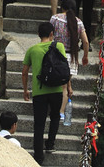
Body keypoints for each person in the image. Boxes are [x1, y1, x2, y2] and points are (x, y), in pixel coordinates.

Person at [22, 21, 67, 164]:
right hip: (56, 90)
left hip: (39, 91)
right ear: (52, 34)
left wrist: (25, 90)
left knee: (39, 123)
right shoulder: (59, 46)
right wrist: (68, 86)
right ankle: (50, 144)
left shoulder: (32, 50)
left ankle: (38, 156)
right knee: (55, 117)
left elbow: (24, 73)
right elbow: (64, 67)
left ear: (38, 35)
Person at [50, 0, 89, 121]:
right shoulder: (79, 22)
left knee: (54, 83)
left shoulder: (55, 18)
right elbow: (86, 42)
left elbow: (49, 35)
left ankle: (52, 108)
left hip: (56, 55)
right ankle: (61, 112)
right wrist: (85, 56)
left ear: (62, 7)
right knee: (65, 86)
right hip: (71, 57)